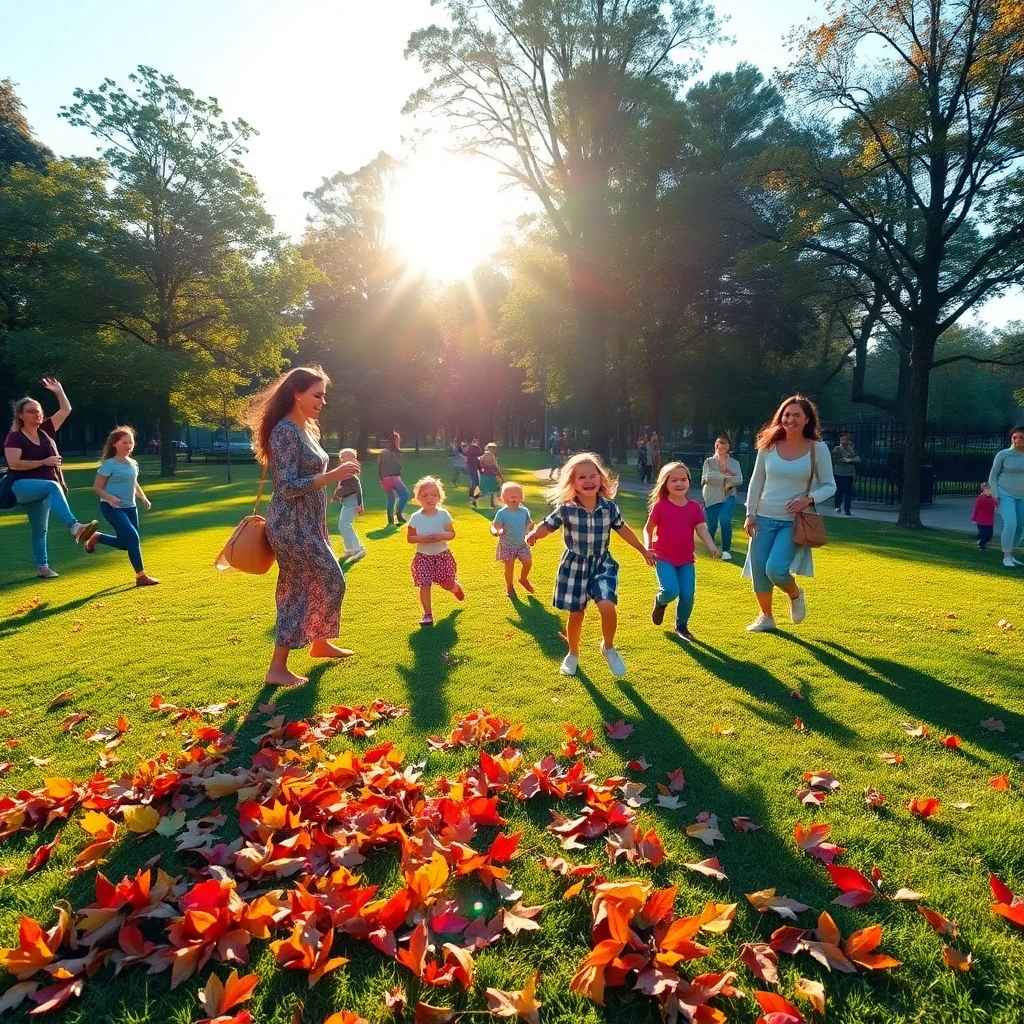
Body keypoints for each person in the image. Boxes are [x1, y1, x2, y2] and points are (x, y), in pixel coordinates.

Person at [245, 365, 361, 688]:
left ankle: (320, 642)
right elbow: (287, 486)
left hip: (309, 524)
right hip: (289, 525)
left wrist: (321, 523)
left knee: (327, 581)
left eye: (324, 395)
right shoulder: (284, 432)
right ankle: (277, 669)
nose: (322, 401)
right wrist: (334, 476)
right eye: (317, 395)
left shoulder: (307, 429)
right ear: (298, 394)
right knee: (304, 587)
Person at [526, 453, 655, 678]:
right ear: (572, 483)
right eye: (582, 477)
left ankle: (608, 647)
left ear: (601, 480)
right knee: (577, 615)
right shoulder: (566, 508)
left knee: (607, 606)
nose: (588, 481)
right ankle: (573, 654)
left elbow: (623, 530)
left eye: (593, 476)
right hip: (574, 566)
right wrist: (534, 534)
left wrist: (643, 550)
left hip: (601, 563)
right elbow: (548, 525)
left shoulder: (609, 508)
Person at [742, 395, 836, 633]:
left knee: (776, 569)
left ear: (807, 419)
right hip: (763, 517)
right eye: (786, 414)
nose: (790, 419)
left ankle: (795, 593)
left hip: (793, 522)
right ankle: (766, 617)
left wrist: (809, 499)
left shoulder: (819, 448)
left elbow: (829, 485)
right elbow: (756, 481)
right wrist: (750, 513)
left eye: (796, 415)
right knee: (760, 572)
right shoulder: (768, 445)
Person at [3, 378, 98, 578]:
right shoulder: (15, 437)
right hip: (21, 486)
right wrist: (44, 461)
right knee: (52, 486)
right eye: (31, 411)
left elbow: (65, 410)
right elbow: (14, 464)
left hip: (44, 487)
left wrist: (59, 391)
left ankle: (43, 568)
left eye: (39, 410)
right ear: (21, 415)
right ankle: (74, 527)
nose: (37, 413)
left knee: (40, 530)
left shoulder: (45, 429)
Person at [645, 462, 720, 642]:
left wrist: (711, 545)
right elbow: (648, 529)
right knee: (671, 590)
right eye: (674, 480)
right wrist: (648, 549)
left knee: (687, 594)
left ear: (688, 481)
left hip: (686, 560)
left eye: (683, 479)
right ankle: (660, 601)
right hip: (663, 558)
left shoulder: (694, 507)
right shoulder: (661, 506)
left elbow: (702, 529)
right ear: (665, 483)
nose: (679, 483)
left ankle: (682, 626)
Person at [85, 426, 159, 585]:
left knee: (126, 543)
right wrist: (110, 498)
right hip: (111, 507)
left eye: (131, 443)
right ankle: (141, 576)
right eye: (124, 442)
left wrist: (143, 498)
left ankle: (97, 537)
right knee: (133, 537)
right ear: (114, 444)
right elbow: (97, 487)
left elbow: (134, 484)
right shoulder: (108, 465)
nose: (129, 446)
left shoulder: (133, 463)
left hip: (130, 507)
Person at [407, 476, 465, 626]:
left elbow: (451, 533)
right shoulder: (415, 518)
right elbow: (410, 538)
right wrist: (423, 539)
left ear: (439, 497)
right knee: (424, 585)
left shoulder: (443, 515)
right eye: (424, 495)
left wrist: (441, 536)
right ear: (418, 498)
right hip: (423, 557)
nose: (429, 498)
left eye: (433, 495)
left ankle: (454, 587)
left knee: (446, 583)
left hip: (442, 556)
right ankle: (427, 614)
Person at [701, 435, 743, 561]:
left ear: (728, 446)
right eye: (718, 444)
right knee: (712, 525)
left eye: (723, 444)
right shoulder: (709, 461)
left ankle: (726, 550)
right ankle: (711, 547)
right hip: (711, 496)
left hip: (728, 495)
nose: (720, 447)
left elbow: (739, 479)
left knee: (724, 518)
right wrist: (725, 476)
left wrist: (726, 480)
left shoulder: (735, 463)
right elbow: (706, 478)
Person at [491, 481, 535, 598]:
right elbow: (494, 526)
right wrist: (497, 532)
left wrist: (531, 529)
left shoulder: (524, 512)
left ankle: (523, 578)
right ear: (504, 499)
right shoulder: (502, 513)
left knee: (528, 562)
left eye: (517, 494)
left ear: (521, 498)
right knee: (509, 568)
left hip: (522, 544)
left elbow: (529, 524)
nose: (514, 497)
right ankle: (509, 586)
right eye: (510, 495)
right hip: (507, 546)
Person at [988, 425, 1024, 567]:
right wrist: (995, 494)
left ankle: (1011, 552)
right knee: (1011, 524)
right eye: (1015, 437)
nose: (1018, 440)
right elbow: (993, 476)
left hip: (1022, 496)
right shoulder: (1003, 454)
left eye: (1021, 437)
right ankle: (1006, 557)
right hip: (1005, 494)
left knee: (1021, 527)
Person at [331, 446, 365, 564]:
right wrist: (335, 496)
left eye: (344, 457)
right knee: (343, 525)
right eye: (341, 458)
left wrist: (360, 504)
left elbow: (358, 488)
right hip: (346, 502)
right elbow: (340, 487)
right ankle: (350, 550)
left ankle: (358, 549)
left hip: (352, 502)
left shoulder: (352, 473)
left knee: (345, 524)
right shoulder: (345, 471)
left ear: (350, 458)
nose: (342, 460)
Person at [377, 432, 408, 526]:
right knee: (404, 495)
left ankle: (390, 520)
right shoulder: (394, 452)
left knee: (391, 500)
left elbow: (379, 466)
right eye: (398, 439)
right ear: (395, 441)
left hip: (385, 479)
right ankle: (399, 514)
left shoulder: (384, 452)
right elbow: (398, 466)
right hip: (394, 477)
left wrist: (381, 478)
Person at [831, 434, 860, 515]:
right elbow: (834, 458)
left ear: (848, 441)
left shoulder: (851, 449)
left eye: (845, 439)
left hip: (849, 473)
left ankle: (847, 509)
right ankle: (837, 506)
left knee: (848, 492)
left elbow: (857, 459)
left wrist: (849, 459)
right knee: (839, 490)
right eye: (842, 439)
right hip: (839, 473)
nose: (844, 441)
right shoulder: (838, 449)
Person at [972, 483, 997, 552]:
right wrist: (974, 519)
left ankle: (980, 542)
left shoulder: (993, 498)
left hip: (989, 520)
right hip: (981, 520)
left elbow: (997, 505)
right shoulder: (980, 498)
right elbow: (976, 509)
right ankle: (980, 544)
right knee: (983, 534)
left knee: (989, 535)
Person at [478, 442, 504, 509]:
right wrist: (500, 475)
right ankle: (475, 498)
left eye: (495, 449)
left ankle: (492, 504)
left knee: (491, 491)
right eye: (493, 449)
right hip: (488, 476)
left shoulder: (487, 455)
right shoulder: (489, 455)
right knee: (488, 491)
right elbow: (494, 466)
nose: (494, 450)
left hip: (488, 475)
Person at [465, 437, 483, 506]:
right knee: (475, 482)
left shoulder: (473, 448)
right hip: (472, 467)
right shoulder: (471, 448)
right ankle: (472, 495)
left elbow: (480, 456)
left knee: (475, 482)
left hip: (475, 467)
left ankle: (472, 495)